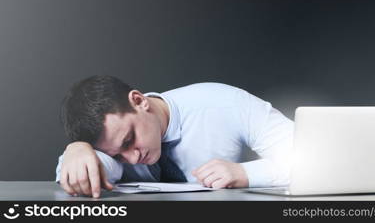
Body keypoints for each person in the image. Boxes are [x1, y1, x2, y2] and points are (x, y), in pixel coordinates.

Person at [55, 76, 294, 198]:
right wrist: (76, 150)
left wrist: (245, 174)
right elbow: (85, 174)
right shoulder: (113, 145)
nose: (132, 158)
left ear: (139, 101)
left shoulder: (227, 104)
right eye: (117, 154)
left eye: (129, 141)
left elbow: (317, 157)